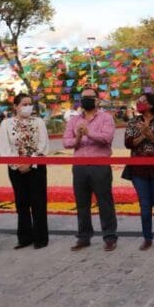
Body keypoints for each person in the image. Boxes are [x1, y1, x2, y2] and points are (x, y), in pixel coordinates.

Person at [63, 86, 118, 251]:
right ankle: (84, 237)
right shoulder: (73, 120)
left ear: (97, 100)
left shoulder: (106, 118)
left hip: (100, 165)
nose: (86, 100)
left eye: (90, 97)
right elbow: (66, 142)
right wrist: (78, 138)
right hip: (79, 166)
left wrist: (88, 133)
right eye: (83, 98)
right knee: (81, 203)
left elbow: (107, 138)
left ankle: (109, 237)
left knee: (104, 202)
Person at [0, 93, 50, 249]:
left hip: (36, 167)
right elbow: (5, 148)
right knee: (21, 203)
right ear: (15, 106)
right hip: (16, 169)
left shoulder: (38, 122)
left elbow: (43, 145)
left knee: (38, 203)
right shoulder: (6, 123)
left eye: (30, 104)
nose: (28, 107)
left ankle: (41, 238)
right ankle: (25, 238)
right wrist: (17, 164)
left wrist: (30, 162)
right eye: (24, 104)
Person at [125, 92, 154, 250]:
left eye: (143, 101)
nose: (139, 103)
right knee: (145, 207)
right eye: (138, 101)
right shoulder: (133, 122)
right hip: (139, 170)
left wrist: (150, 134)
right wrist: (144, 135)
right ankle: (147, 238)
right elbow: (128, 143)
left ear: (151, 104)